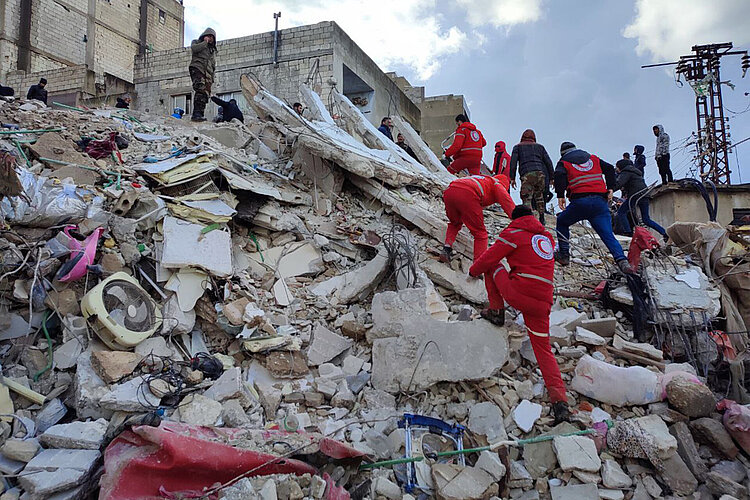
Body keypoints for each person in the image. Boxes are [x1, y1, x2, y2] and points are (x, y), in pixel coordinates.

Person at [469, 204, 570, 423]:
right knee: (543, 350)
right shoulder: (546, 239)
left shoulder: (513, 233)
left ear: (514, 219)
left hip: (518, 293)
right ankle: (560, 402)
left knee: (492, 265)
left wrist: (472, 271)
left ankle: (496, 311)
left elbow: (488, 258)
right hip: (543, 302)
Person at [554, 141, 634, 273]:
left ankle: (564, 255)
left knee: (562, 222)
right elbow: (609, 168)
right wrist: (611, 188)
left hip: (579, 202)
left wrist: (560, 195)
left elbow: (558, 175)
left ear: (562, 153)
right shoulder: (593, 158)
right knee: (607, 234)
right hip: (599, 203)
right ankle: (622, 261)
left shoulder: (564, 162)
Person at [440, 173, 515, 264]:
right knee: (480, 234)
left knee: (454, 223)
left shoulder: (483, 180)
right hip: (468, 194)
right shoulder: (497, 184)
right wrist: (517, 218)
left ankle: (446, 248)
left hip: (450, 190)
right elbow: (507, 202)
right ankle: (478, 265)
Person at [614, 157, 668, 242]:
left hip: (635, 196)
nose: (616, 169)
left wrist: (609, 190)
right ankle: (664, 233)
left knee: (621, 212)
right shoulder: (636, 173)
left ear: (621, 166)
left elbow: (618, 184)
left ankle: (628, 232)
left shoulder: (626, 172)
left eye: (617, 167)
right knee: (646, 219)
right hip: (644, 196)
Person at [509, 129, 554, 224]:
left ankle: (529, 220)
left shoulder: (517, 147)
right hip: (540, 174)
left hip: (527, 174)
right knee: (539, 196)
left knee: (526, 197)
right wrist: (552, 178)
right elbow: (548, 162)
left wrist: (512, 178)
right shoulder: (540, 147)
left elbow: (513, 163)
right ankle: (542, 218)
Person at [189, 28, 217, 122]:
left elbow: (212, 66)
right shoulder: (196, 42)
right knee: (200, 89)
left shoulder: (212, 51)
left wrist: (211, 79)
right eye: (208, 36)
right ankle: (196, 114)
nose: (210, 39)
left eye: (212, 37)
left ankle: (200, 114)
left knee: (205, 94)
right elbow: (194, 49)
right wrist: (205, 42)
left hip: (207, 74)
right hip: (197, 68)